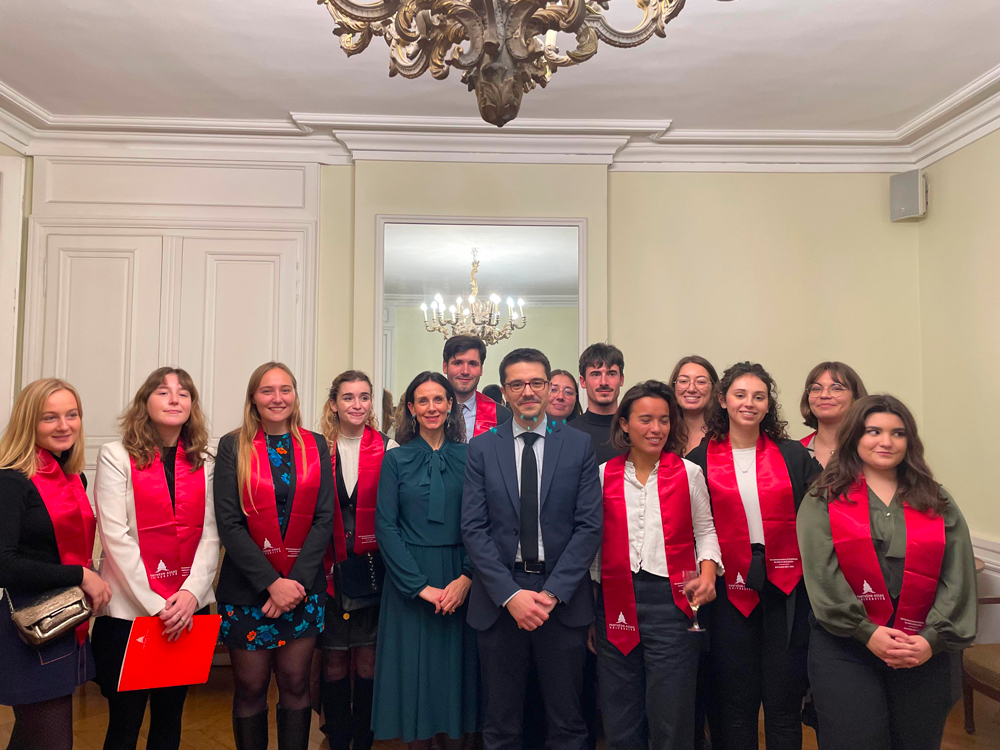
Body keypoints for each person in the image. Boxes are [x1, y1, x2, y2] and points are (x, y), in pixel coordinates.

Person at [798, 395, 976, 750]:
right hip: (846, 646)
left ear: (909, 441)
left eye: (898, 433)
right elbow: (822, 574)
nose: (886, 441)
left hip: (920, 647)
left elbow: (958, 576)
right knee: (856, 740)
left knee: (917, 741)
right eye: (873, 431)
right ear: (854, 438)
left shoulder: (935, 499)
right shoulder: (824, 497)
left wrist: (931, 639)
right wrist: (866, 631)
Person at [462, 348, 602, 750]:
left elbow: (589, 526)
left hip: (560, 600)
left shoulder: (577, 446)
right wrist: (510, 595)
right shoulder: (482, 448)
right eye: (517, 384)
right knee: (501, 724)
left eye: (536, 383)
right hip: (499, 600)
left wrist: (551, 594)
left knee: (568, 724)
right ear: (504, 391)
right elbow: (474, 528)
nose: (528, 391)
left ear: (548, 388)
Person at [685, 362, 821, 750]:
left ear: (767, 406)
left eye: (758, 396)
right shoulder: (698, 461)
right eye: (740, 395)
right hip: (727, 592)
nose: (749, 403)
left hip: (787, 587)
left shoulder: (793, 456)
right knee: (736, 705)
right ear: (723, 401)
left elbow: (822, 514)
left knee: (782, 705)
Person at [92, 368, 220, 750]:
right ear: (145, 401)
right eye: (163, 392)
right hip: (130, 613)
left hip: (187, 609)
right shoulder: (116, 455)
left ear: (192, 406)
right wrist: (159, 605)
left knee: (170, 717)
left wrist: (192, 595)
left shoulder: (204, 461)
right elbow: (116, 536)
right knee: (125, 721)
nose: (174, 399)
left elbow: (212, 535)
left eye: (183, 394)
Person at [591, 380, 721, 750]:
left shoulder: (688, 473)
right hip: (616, 600)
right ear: (625, 425)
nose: (656, 429)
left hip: (673, 604)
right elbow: (592, 546)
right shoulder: (603, 475)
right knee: (620, 712)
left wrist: (709, 572)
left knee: (672, 713)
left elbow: (706, 530)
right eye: (645, 419)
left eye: (664, 420)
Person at [214, 362, 335, 750]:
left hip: (302, 589)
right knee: (250, 689)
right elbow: (229, 523)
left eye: (285, 389)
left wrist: (292, 586)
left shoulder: (315, 445)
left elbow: (324, 516)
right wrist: (271, 584)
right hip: (249, 590)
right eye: (267, 390)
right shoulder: (233, 446)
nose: (277, 398)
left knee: (297, 685)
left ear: (295, 395)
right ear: (253, 397)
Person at [0, 379, 112, 750]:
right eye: (50, 417)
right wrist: (81, 575)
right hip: (28, 629)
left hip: (65, 621)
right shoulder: (11, 481)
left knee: (31, 740)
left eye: (72, 415)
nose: (64, 425)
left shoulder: (73, 476)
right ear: (28, 422)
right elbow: (4, 564)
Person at [371, 372, 479, 747]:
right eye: (423, 401)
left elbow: (482, 523)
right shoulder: (395, 460)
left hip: (460, 577)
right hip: (409, 581)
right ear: (411, 409)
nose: (431, 407)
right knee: (413, 677)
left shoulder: (472, 456)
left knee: (456, 676)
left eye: (438, 399)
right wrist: (418, 587)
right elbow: (386, 526)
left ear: (450, 405)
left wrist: (466, 578)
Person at [318, 371, 398, 750]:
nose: (357, 405)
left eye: (364, 397)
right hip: (327, 573)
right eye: (348, 397)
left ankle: (364, 740)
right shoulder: (315, 449)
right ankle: (337, 737)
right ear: (334, 403)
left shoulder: (389, 447)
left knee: (367, 663)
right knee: (333, 663)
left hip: (372, 574)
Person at [798, 362, 868, 469]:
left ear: (855, 397)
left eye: (836, 388)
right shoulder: (794, 452)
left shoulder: (871, 449)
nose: (824, 395)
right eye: (816, 389)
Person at [442, 335, 512, 441]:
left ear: (481, 370)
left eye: (473, 364)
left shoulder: (501, 416)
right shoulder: (429, 411)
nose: (465, 371)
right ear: (445, 367)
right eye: (458, 363)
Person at [569, 343, 625, 465]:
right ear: (583, 382)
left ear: (621, 380)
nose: (604, 382)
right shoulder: (569, 433)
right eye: (595, 374)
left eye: (611, 374)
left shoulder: (635, 431)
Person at [669, 356, 720, 457]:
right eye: (683, 381)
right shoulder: (665, 432)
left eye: (701, 382)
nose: (691, 389)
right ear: (674, 386)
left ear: (713, 388)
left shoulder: (723, 434)